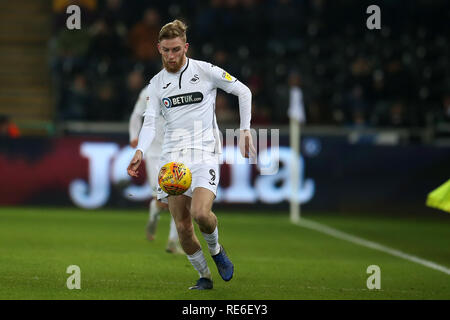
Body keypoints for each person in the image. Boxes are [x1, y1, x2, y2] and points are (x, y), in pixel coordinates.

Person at [127, 19, 256, 290]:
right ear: (159, 49)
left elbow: (243, 91)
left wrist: (245, 130)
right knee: (183, 227)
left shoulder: (205, 71)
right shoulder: (156, 84)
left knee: (201, 214)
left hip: (204, 153)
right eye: (166, 51)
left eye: (176, 50)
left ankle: (217, 250)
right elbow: (149, 122)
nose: (171, 56)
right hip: (172, 158)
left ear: (185, 47)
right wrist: (140, 150)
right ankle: (204, 277)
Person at [129, 86, 184, 254]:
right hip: (154, 153)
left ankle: (173, 241)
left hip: (177, 151)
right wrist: (134, 136)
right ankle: (153, 217)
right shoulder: (148, 91)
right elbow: (136, 115)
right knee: (161, 202)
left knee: (179, 196)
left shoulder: (185, 89)